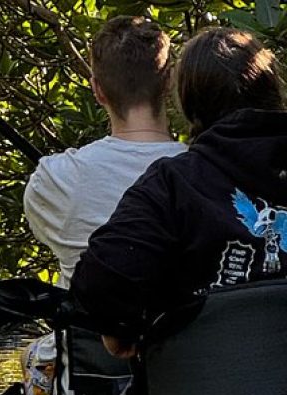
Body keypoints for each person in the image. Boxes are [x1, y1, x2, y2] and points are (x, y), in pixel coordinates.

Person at [71, 27, 287, 358]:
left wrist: (122, 330)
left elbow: (101, 288)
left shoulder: (172, 184)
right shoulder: (171, 184)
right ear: (274, 89)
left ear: (189, 104)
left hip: (205, 392)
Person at [21, 16, 186, 395]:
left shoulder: (55, 179)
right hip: (190, 374)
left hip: (99, 381)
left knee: (34, 356)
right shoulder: (208, 174)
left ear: (98, 90)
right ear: (168, 84)